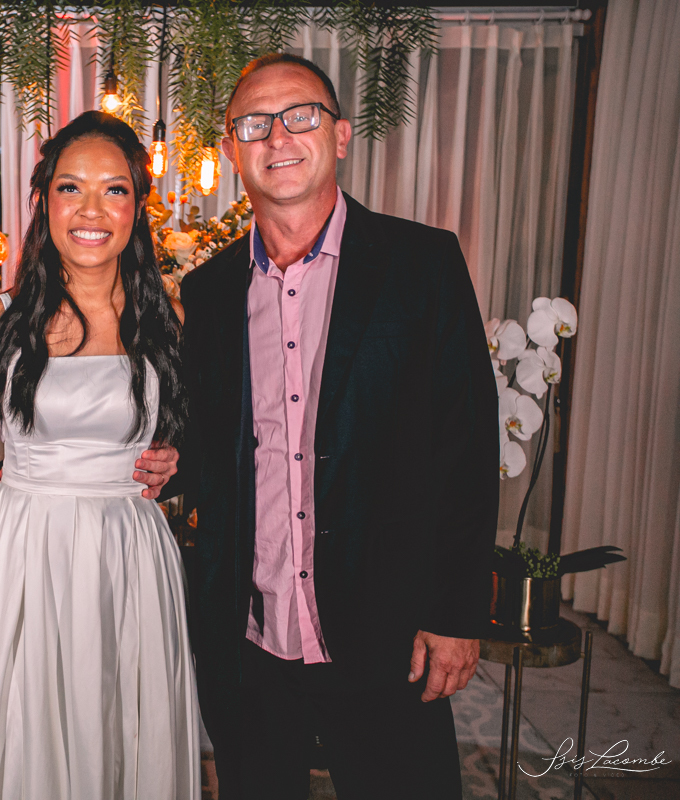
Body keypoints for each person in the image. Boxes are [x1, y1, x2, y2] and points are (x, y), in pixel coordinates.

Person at [170, 54, 498, 799]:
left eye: (301, 116)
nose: (277, 137)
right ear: (230, 150)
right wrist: (171, 460)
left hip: (387, 635)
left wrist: (455, 613)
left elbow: (467, 447)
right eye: (254, 124)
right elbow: (216, 446)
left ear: (341, 135)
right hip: (252, 641)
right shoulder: (209, 292)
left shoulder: (422, 264)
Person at [0, 111, 197, 800]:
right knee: (25, 734)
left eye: (114, 190)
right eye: (70, 188)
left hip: (130, 549)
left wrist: (180, 460)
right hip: (27, 546)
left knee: (123, 731)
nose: (91, 210)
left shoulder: (170, 318)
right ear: (44, 201)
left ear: (137, 207)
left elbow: (206, 436)